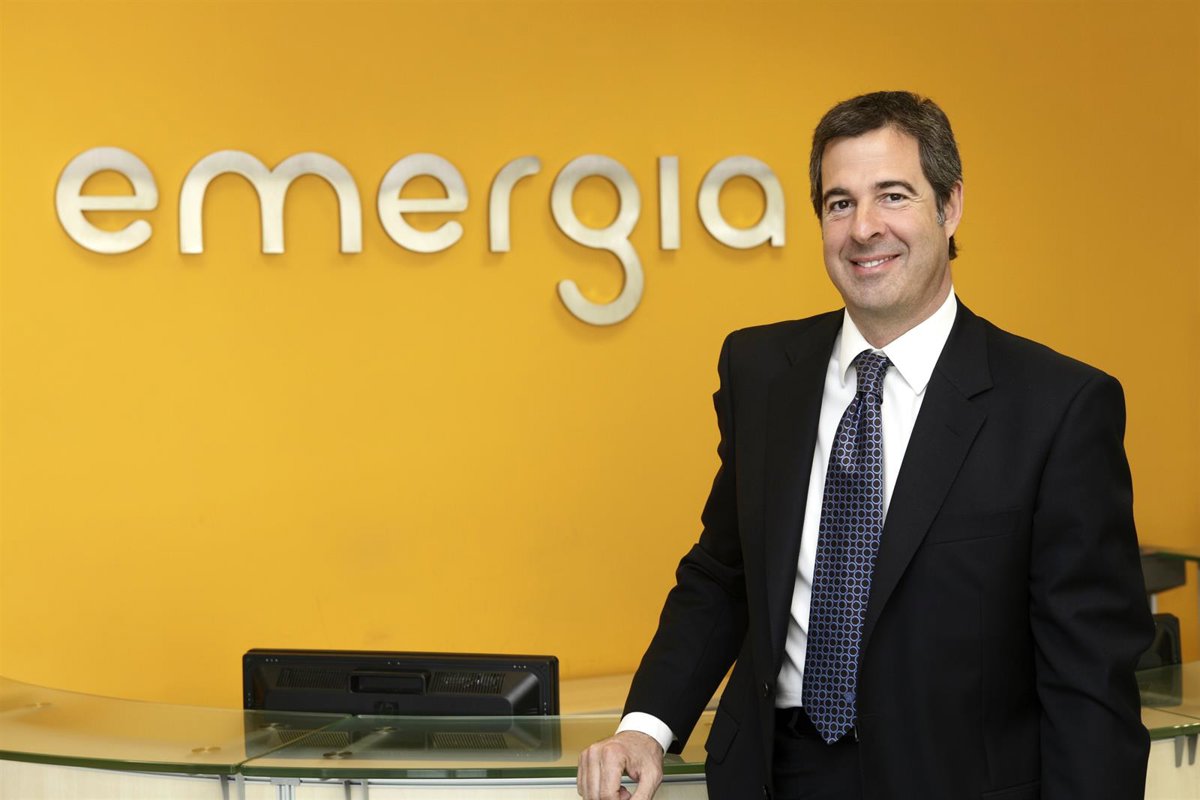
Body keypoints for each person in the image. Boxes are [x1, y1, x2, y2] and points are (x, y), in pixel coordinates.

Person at [576, 91, 1152, 800]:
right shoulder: (762, 372)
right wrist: (644, 727)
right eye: (840, 203)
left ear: (950, 206)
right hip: (775, 776)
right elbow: (724, 575)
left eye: (893, 195)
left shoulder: (1057, 406)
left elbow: (1090, 677)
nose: (864, 228)